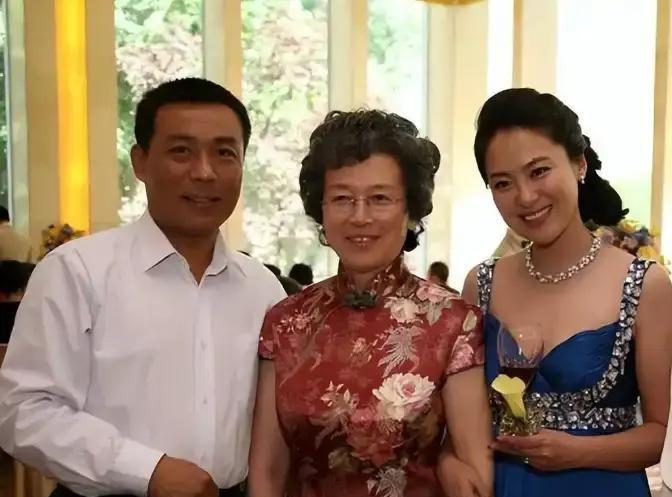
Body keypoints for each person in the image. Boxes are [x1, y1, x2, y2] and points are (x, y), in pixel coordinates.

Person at [0, 78, 285, 497]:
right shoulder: (77, 272)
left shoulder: (263, 289)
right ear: (141, 162)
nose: (204, 172)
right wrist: (147, 470)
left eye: (225, 153)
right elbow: (24, 411)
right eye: (181, 151)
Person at [248, 109, 492, 497]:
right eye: (342, 198)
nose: (360, 217)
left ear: (410, 210)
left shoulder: (454, 322)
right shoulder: (286, 321)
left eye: (380, 198)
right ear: (321, 209)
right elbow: (267, 471)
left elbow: (474, 472)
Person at [460, 88, 672, 497]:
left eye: (539, 171)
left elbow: (662, 434)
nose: (525, 197)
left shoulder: (645, 284)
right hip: (507, 486)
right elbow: (464, 422)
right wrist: (451, 461)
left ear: (579, 164)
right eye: (503, 183)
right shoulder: (481, 284)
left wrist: (577, 452)